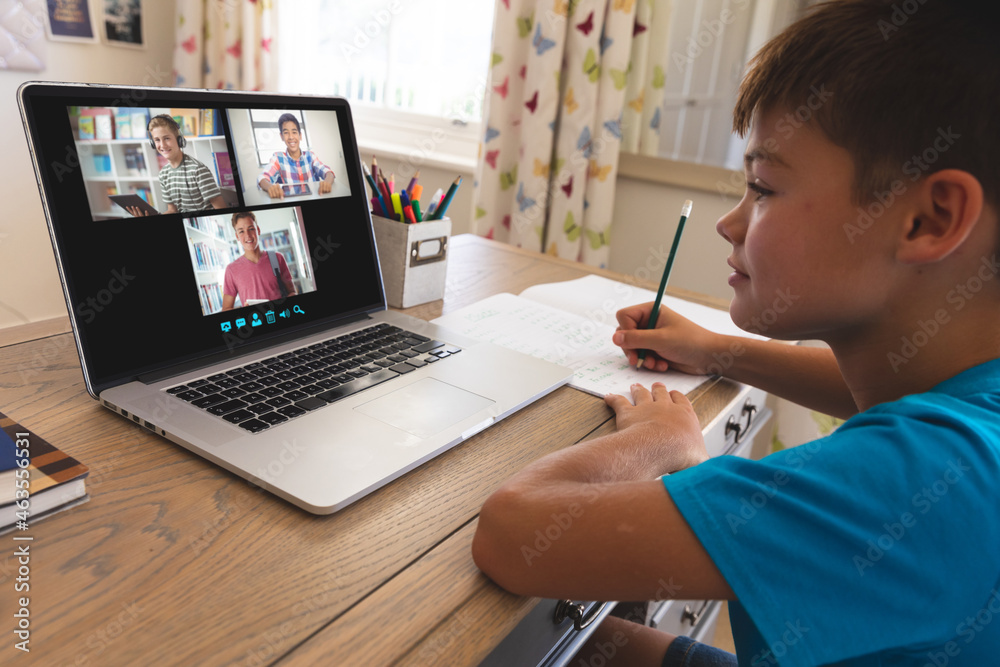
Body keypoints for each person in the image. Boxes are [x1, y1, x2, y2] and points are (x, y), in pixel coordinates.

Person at [472, 1, 1000, 665]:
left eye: (763, 186)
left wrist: (662, 445)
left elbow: (511, 530)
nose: (731, 223)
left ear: (930, 219)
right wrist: (711, 347)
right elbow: (862, 387)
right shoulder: (971, 400)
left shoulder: (927, 478)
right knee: (572, 644)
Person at [128, 114, 226, 216]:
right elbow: (172, 210)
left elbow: (221, 209)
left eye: (166, 138)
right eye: (157, 140)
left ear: (179, 140)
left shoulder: (197, 170)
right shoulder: (163, 174)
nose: (162, 145)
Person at [221, 211, 296, 311]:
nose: (248, 235)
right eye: (241, 231)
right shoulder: (231, 270)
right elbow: (226, 308)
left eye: (251, 229)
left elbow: (292, 292)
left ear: (258, 230)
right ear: (237, 236)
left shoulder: (277, 258)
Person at [258, 113, 335, 199]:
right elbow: (262, 177)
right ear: (282, 137)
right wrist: (270, 187)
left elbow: (328, 172)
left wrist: (327, 182)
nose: (291, 137)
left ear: (300, 135)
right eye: (286, 133)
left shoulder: (310, 156)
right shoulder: (278, 158)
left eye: (294, 132)